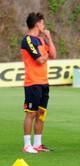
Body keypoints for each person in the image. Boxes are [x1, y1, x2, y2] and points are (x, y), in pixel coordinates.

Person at [21, 12, 56, 154]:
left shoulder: (41, 40)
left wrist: (48, 38)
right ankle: (27, 145)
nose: (44, 26)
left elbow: (53, 55)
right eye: (42, 23)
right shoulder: (28, 40)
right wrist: (45, 54)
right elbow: (40, 60)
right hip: (32, 83)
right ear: (37, 24)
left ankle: (38, 144)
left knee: (41, 113)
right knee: (31, 113)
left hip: (43, 82)